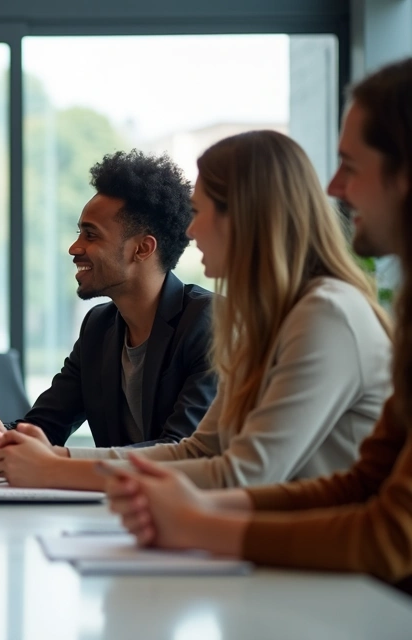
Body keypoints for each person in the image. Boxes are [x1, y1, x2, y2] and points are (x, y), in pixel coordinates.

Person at [104, 58, 412, 594]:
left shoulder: (328, 313)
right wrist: (187, 508)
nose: (335, 187)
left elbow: (389, 533)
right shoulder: (279, 318)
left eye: (350, 164)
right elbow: (364, 484)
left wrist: (198, 520)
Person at [0, 131, 392, 491]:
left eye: (199, 213)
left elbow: (242, 475)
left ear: (245, 218)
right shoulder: (268, 320)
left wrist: (55, 471)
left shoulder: (325, 314)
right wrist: (56, 459)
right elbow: (198, 451)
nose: (190, 231)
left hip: (332, 566)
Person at [0, 151, 216, 457]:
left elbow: (181, 450)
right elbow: (47, 424)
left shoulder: (209, 322)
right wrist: (2, 437)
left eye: (91, 235)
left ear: (142, 248)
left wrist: (63, 460)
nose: (75, 247)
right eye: (78, 233)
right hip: (114, 501)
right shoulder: (99, 326)